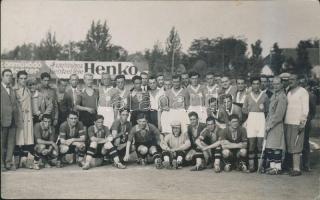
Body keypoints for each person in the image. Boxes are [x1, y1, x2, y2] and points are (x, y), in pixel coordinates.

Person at [242, 77, 269, 172]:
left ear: (260, 84)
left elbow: (267, 111)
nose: (256, 85)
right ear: (251, 85)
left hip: (261, 120)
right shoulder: (248, 96)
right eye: (254, 84)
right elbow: (244, 109)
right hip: (251, 120)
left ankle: (260, 166)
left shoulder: (264, 95)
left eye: (258, 83)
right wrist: (251, 110)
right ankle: (251, 166)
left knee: (260, 144)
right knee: (252, 144)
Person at [284, 74, 309, 176]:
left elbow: (306, 108)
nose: (291, 81)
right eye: (289, 80)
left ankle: (297, 169)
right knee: (289, 146)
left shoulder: (303, 92)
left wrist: (303, 121)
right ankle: (290, 167)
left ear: (298, 80)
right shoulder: (288, 91)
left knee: (296, 146)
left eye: (293, 79)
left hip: (297, 123)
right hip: (287, 122)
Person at [263, 77, 287, 175]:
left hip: (276, 125)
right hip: (270, 123)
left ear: (282, 84)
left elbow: (279, 115)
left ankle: (277, 167)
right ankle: (272, 166)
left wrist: (270, 125)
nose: (275, 85)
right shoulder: (274, 95)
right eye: (274, 84)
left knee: (276, 146)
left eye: (277, 84)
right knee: (271, 146)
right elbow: (270, 112)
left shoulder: (282, 97)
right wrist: (266, 123)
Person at [13, 70, 35, 169]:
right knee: (18, 139)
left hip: (28, 118)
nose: (23, 80)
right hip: (19, 118)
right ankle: (16, 162)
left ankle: (24, 161)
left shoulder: (28, 90)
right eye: (21, 78)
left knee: (27, 139)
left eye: (25, 78)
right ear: (17, 79)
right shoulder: (14, 90)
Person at [1, 69, 18, 171]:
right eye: (7, 75)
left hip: (13, 121)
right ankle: (1, 164)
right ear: (2, 77)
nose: (9, 77)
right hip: (2, 120)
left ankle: (8, 163)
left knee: (11, 143)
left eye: (11, 76)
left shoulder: (12, 90)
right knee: (1, 143)